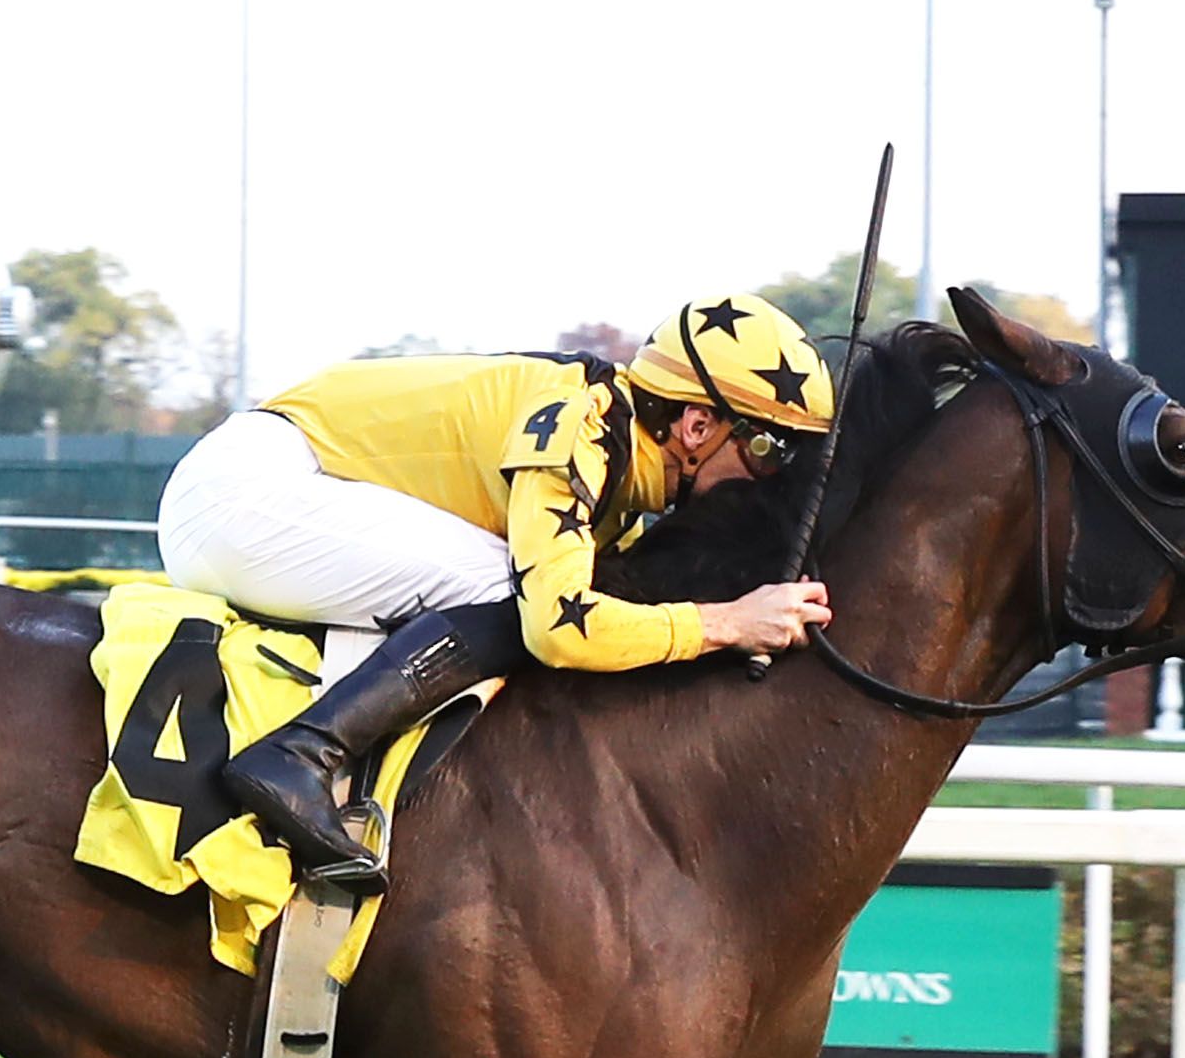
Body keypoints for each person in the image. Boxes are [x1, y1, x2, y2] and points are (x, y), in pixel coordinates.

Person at [153, 293, 842, 888]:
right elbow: (559, 627)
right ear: (697, 426)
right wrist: (726, 624)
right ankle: (300, 754)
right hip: (245, 492)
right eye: (766, 451)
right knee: (512, 592)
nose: (767, 476)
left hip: (263, 494)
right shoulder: (582, 425)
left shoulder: (616, 471)